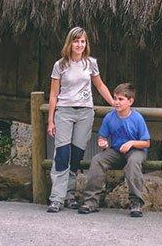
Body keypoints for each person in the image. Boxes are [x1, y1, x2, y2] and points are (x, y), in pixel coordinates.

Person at [47, 26, 114, 213]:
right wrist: (51, 120)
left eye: (83, 41)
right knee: (61, 154)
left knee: (76, 155)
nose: (79, 45)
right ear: (70, 43)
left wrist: (113, 103)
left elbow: (99, 85)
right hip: (65, 112)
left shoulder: (90, 63)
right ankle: (56, 198)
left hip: (85, 112)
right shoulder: (60, 65)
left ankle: (69, 195)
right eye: (76, 41)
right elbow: (53, 94)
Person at [79, 82, 151, 218]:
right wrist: (102, 142)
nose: (116, 102)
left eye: (121, 99)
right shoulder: (109, 117)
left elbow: (146, 143)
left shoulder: (137, 118)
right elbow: (102, 136)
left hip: (136, 150)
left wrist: (131, 143)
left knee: (133, 163)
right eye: (115, 98)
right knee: (97, 160)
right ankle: (91, 201)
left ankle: (136, 202)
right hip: (116, 150)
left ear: (130, 101)